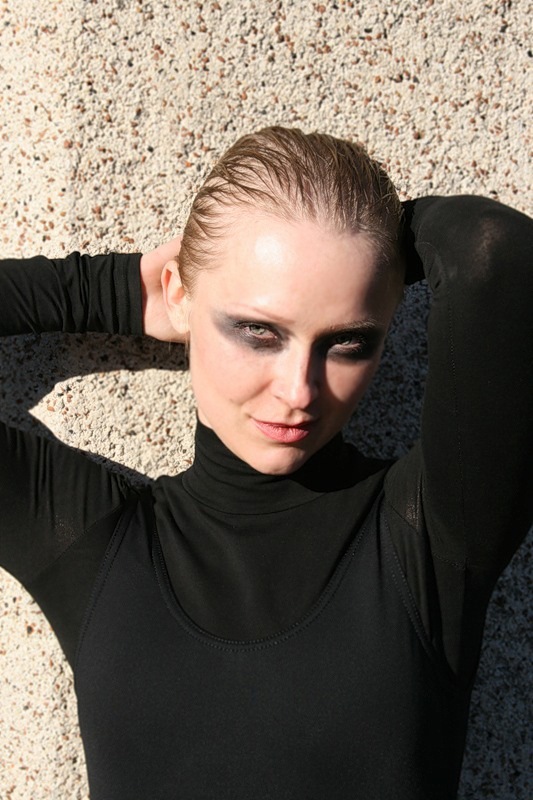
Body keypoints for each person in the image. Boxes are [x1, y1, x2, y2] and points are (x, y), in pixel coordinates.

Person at [0, 126, 531, 800]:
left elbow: (495, 253)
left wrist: (374, 240)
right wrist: (119, 292)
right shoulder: (94, 542)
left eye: (347, 343)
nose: (299, 391)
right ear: (181, 295)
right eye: (258, 331)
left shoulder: (430, 540)